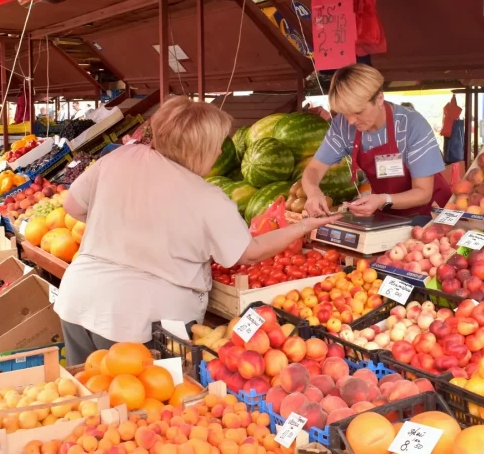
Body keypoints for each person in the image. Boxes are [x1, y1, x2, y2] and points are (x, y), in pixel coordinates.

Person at [54, 96, 339, 364]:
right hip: (137, 321)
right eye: (216, 144)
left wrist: (121, 224)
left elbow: (73, 206)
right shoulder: (206, 197)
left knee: (89, 397)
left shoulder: (120, 158)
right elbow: (250, 253)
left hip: (79, 299)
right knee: (140, 409)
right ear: (200, 149)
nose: (219, 151)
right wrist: (304, 226)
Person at [302, 64, 450, 220]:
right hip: (389, 213)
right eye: (345, 113)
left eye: (358, 112)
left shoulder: (411, 125)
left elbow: (423, 193)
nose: (351, 121)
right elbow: (313, 169)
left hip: (431, 213)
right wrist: (313, 192)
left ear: (379, 98)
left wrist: (382, 200)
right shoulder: (342, 126)